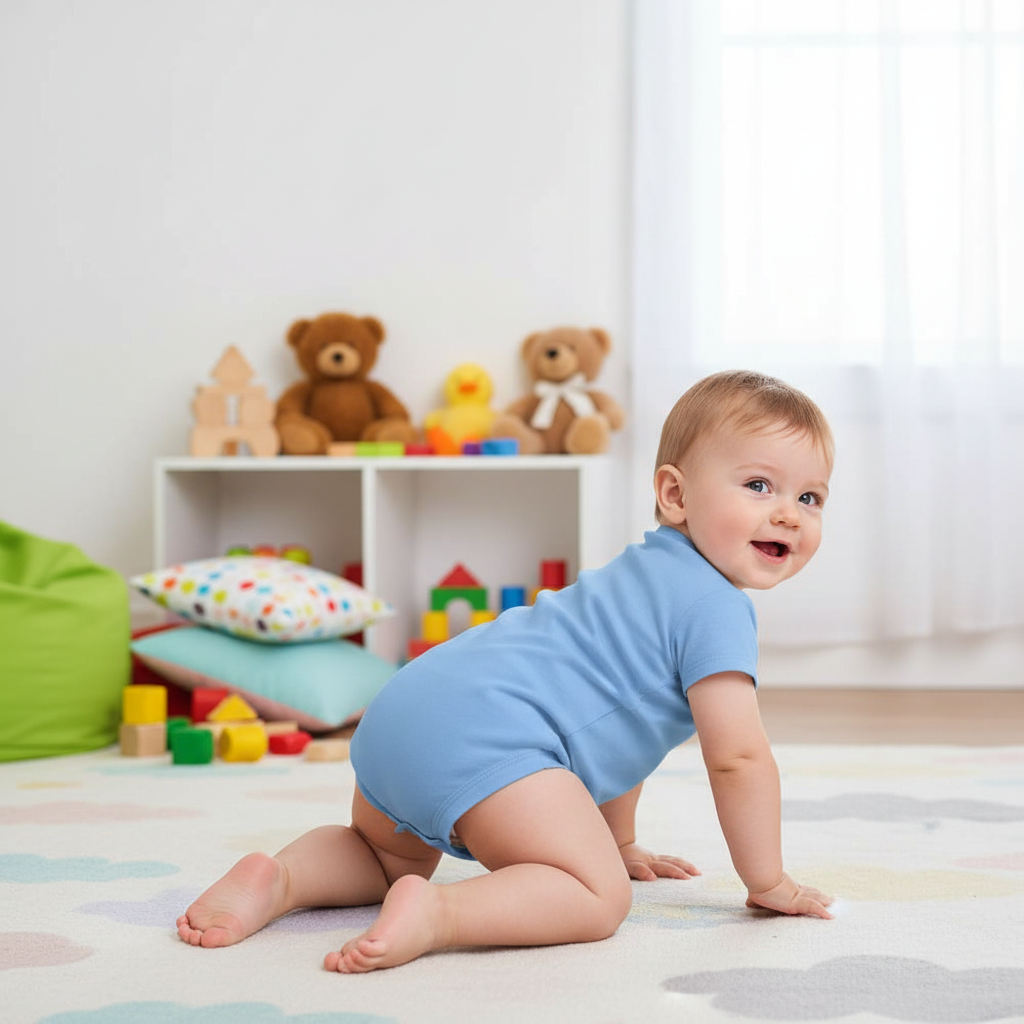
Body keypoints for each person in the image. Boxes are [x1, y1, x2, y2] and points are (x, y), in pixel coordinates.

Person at [177, 369, 835, 973]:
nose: (788, 513)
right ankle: (441, 915)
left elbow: (620, 728)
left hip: (405, 709)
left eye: (810, 497)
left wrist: (619, 840)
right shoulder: (717, 608)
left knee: (381, 854)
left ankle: (281, 879)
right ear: (673, 494)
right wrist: (767, 881)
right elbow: (738, 759)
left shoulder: (642, 569)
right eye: (758, 485)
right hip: (487, 738)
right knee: (593, 894)